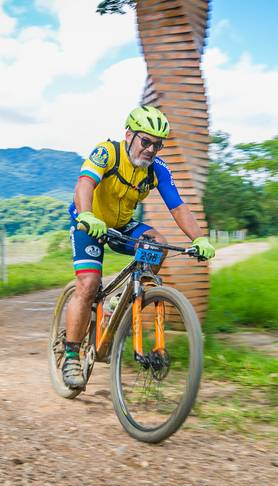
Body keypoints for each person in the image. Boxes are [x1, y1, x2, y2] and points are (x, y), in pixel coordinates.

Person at [62, 105, 216, 388]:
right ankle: (71, 355)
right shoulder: (107, 152)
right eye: (145, 141)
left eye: (157, 144)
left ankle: (117, 301)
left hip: (121, 225)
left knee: (159, 245)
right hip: (89, 223)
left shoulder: (157, 169)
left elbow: (178, 207)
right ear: (129, 135)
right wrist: (86, 215)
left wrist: (199, 238)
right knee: (88, 284)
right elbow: (84, 184)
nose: (150, 149)